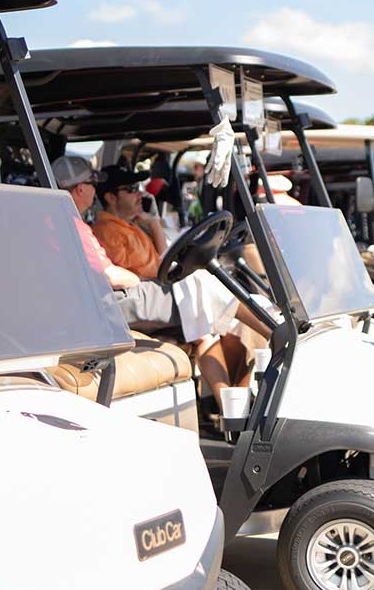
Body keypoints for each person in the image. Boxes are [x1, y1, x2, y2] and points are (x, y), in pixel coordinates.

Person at [53, 155, 259, 405]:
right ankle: (277, 332)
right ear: (82, 189)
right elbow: (115, 275)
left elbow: (162, 262)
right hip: (122, 301)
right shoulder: (103, 230)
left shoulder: (130, 227)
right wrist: (142, 277)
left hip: (147, 290)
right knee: (206, 288)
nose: (139, 194)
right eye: (130, 190)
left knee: (211, 324)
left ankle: (234, 407)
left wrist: (154, 225)